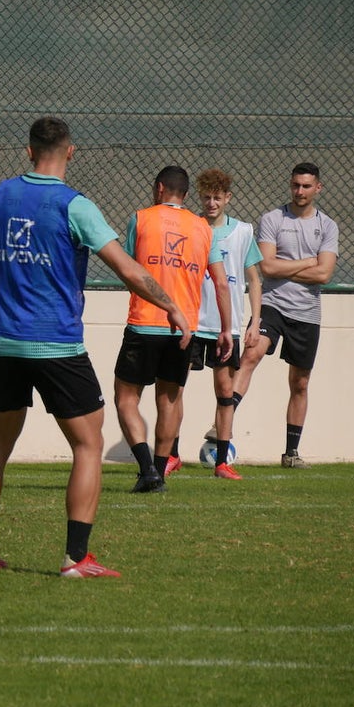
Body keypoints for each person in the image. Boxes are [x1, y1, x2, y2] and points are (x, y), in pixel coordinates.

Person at [0, 117, 190, 579]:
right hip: (57, 345)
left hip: (4, 343)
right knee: (88, 444)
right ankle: (76, 557)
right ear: (71, 152)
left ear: (28, 152)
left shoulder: (1, 195)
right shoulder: (75, 206)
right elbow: (129, 270)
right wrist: (172, 307)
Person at [114, 166, 232, 494]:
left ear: (160, 188)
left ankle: (146, 468)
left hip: (145, 322)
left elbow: (128, 269)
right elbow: (221, 283)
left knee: (125, 398)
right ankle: (160, 473)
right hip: (184, 330)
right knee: (169, 400)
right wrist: (225, 329)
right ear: (185, 194)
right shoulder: (203, 228)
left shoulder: (141, 218)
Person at [230, 163, 338, 468]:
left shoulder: (328, 226)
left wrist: (286, 267)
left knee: (300, 383)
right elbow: (268, 267)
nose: (300, 191)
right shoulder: (272, 219)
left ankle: (291, 453)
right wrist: (307, 262)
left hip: (307, 313)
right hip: (272, 304)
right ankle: (222, 427)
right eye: (295, 185)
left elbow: (326, 274)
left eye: (306, 186)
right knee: (251, 355)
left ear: (318, 188)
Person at [168, 168, 262, 481]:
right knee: (175, 389)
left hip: (228, 326)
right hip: (192, 324)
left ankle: (222, 462)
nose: (211, 203)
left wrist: (254, 321)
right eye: (206, 197)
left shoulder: (243, 232)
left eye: (217, 198)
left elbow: (253, 279)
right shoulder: (190, 228)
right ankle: (172, 455)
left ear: (227, 198)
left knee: (224, 392)